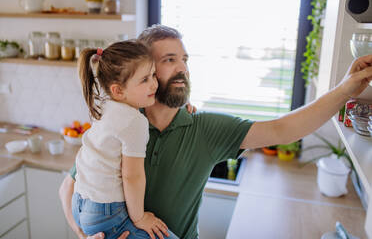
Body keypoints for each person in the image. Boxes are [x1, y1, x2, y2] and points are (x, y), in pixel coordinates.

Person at [60, 25, 372, 239]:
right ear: (144, 71)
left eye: (184, 59)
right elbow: (68, 189)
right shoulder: (123, 124)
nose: (183, 67)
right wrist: (83, 232)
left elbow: (283, 128)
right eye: (169, 60)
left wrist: (345, 90)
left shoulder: (205, 128)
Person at [70, 40, 179, 239]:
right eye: (144, 79)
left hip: (79, 205)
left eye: (153, 74)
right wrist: (139, 218)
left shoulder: (103, 103)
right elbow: (132, 176)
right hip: (107, 213)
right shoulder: (134, 122)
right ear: (118, 90)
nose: (154, 83)